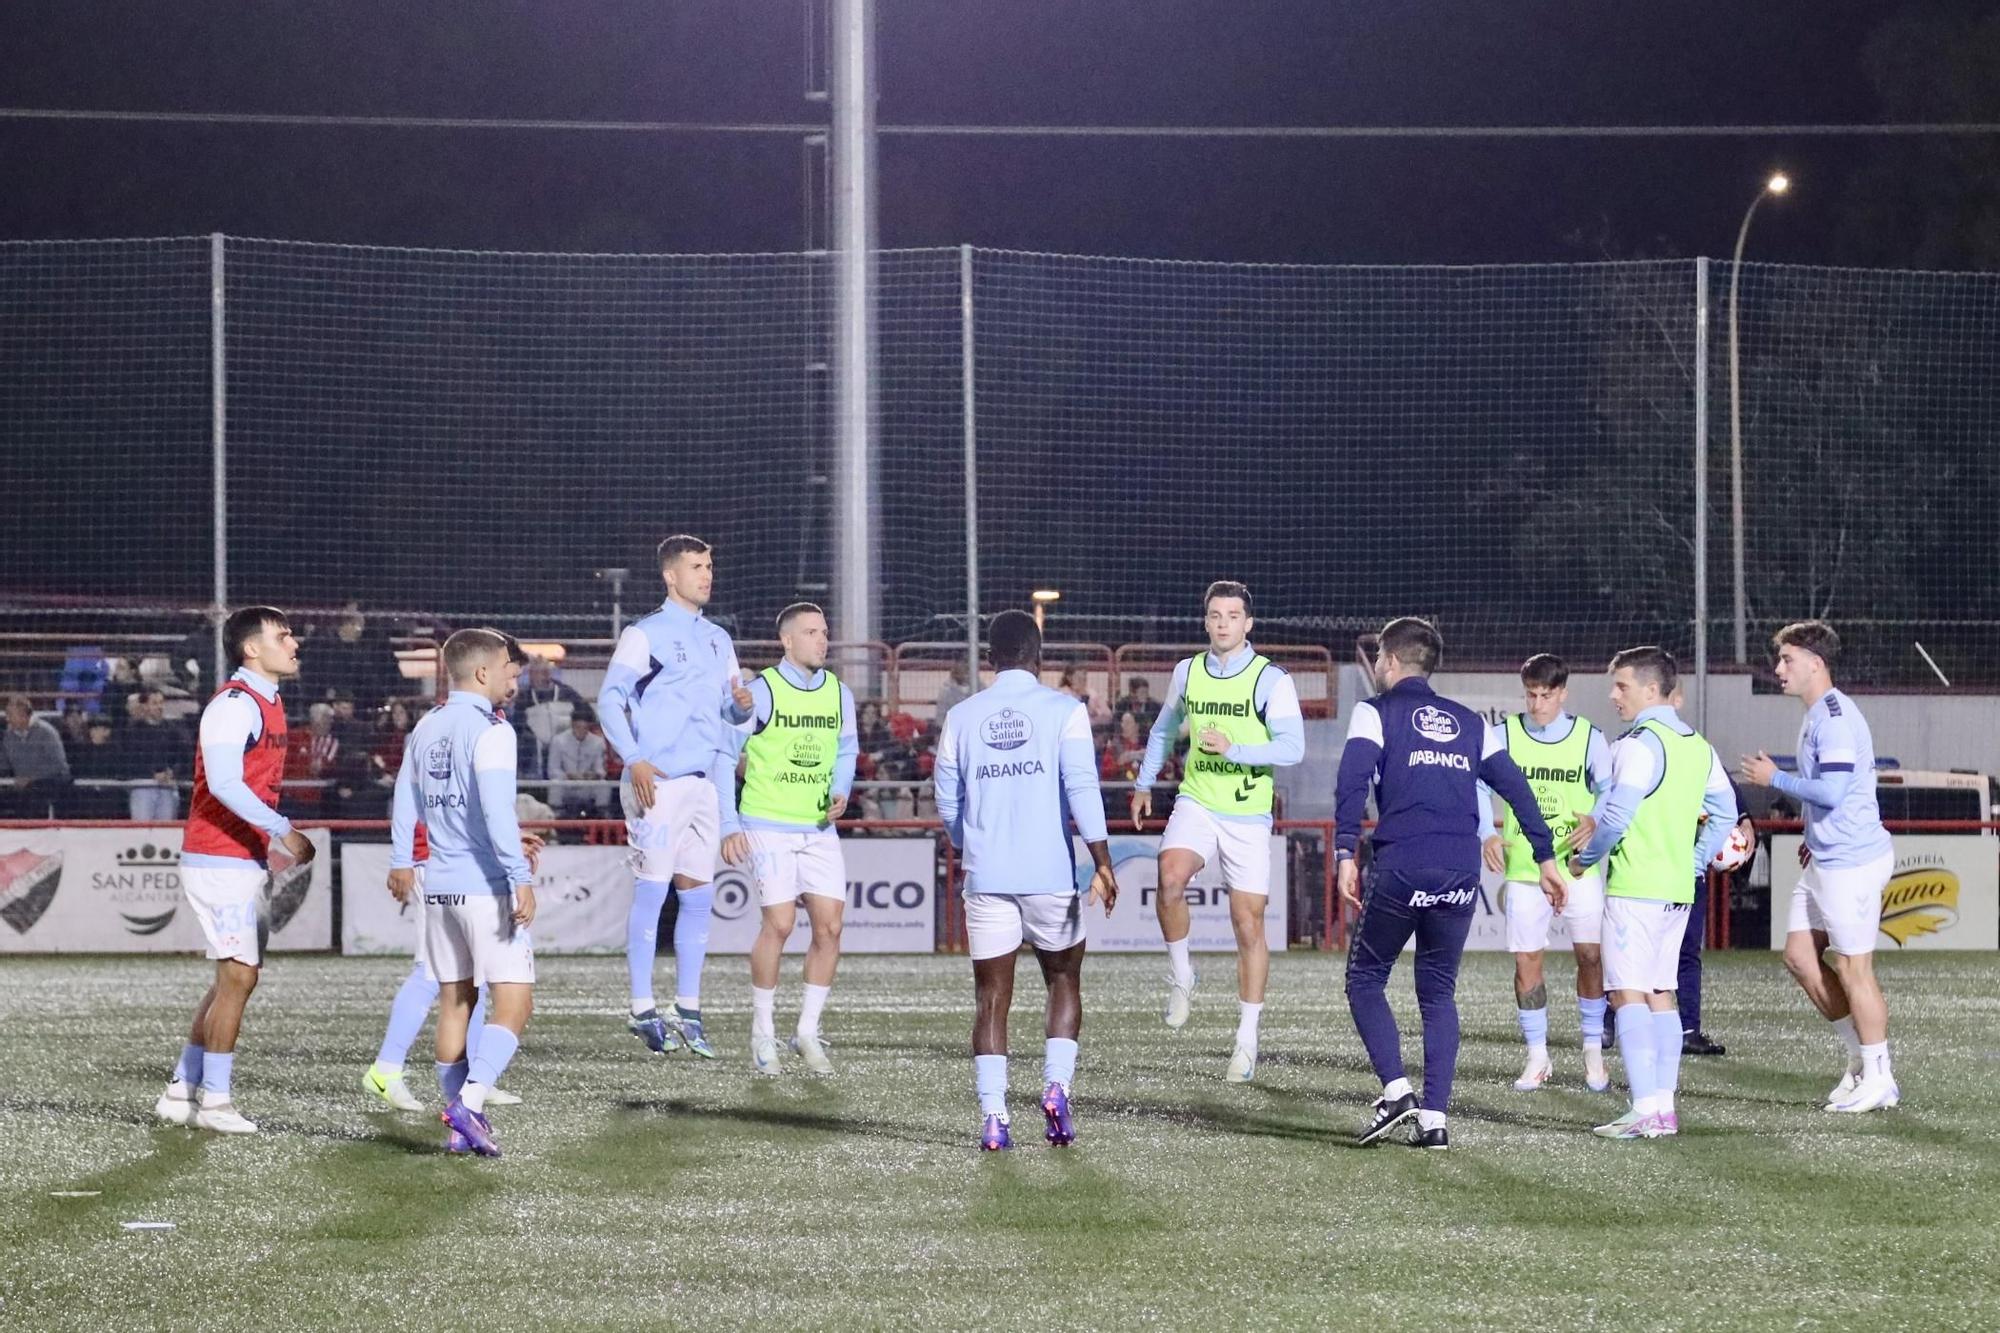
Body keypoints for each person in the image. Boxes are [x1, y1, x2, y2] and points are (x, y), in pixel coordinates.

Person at [1336, 618, 1567, 1151]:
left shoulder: (1375, 712)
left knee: (1366, 979)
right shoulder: (1469, 722)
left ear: (1389, 662)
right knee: (1438, 992)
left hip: (1403, 864)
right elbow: (1518, 789)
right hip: (1460, 870)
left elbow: (1351, 782)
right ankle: (1435, 1120)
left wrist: (1346, 851)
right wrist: (1546, 856)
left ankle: (1397, 1093)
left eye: (1378, 658)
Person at [934, 609, 1118, 1151]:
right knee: (1063, 979)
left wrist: (970, 843)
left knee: (991, 997)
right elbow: (1083, 789)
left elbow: (947, 798)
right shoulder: (1065, 710)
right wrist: (1102, 860)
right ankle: (1056, 1089)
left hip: (987, 875)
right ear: (1039, 656)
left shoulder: (963, 716)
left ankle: (994, 1118)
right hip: (1048, 875)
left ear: (990, 660)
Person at [1128, 581, 1305, 1082]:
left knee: (1247, 924)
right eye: (1214, 614)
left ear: (1248, 624)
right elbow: (1164, 730)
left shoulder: (1271, 679)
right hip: (1198, 800)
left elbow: (1293, 748)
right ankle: (1183, 973)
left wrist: (1236, 749)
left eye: (1233, 615)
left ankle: (1246, 1039)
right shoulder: (1187, 672)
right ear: (1205, 622)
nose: (1223, 622)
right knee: (1168, 877)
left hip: (1248, 814)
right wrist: (1145, 783)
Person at [153, 607, 316, 1135]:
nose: (293, 642)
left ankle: (182, 1090)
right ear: (252, 649)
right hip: (218, 855)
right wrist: (282, 830)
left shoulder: (268, 700)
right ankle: (215, 1103)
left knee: (233, 978)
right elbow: (223, 782)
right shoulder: (235, 703)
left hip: (237, 857)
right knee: (240, 976)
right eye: (282, 635)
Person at [363, 633, 536, 1114]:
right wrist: (519, 874)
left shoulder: (428, 724)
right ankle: (471, 1099)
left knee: (455, 999)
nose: (513, 676)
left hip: (438, 881)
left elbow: (406, 796)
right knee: (515, 1002)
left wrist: (402, 857)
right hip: (484, 886)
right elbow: (499, 811)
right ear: (483, 672)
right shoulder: (493, 729)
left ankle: (457, 1109)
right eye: (508, 667)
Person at [1568, 647, 1736, 1140]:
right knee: (1662, 992)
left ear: (1649, 689)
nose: (1613, 694)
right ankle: (1661, 1109)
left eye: (1621, 685)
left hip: (1636, 887)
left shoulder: (1640, 745)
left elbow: (1617, 817)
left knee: (1626, 993)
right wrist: (1695, 861)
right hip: (1677, 890)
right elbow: (1724, 814)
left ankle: (1643, 1109)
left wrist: (1584, 860)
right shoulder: (1698, 746)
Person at [598, 535, 753, 1060]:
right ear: (670, 575)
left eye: (710, 565)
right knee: (652, 892)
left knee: (698, 897)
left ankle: (688, 1007)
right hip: (656, 784)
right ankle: (642, 1007)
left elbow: (732, 721)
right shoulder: (644, 635)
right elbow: (609, 701)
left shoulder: (719, 639)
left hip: (704, 784)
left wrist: (739, 708)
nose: (707, 574)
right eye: (696, 566)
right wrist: (633, 757)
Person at [1738, 620, 1899, 1113]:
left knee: (1854, 968)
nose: (1778, 668)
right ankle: (1859, 1061)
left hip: (1850, 862)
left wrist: (1775, 777)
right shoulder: (1816, 714)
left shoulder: (1833, 717)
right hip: (1826, 857)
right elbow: (1834, 795)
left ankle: (1880, 1076)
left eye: (1787, 659)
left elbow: (1831, 792)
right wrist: (1811, 835)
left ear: (1816, 663)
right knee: (1800, 958)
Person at [723, 602, 858, 1077]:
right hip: (766, 822)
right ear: (786, 641)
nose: (822, 640)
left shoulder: (839, 692)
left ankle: (806, 1031)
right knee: (779, 923)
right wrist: (728, 821)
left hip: (819, 827)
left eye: (824, 632)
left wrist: (842, 789)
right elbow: (726, 750)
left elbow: (847, 750)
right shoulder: (761, 690)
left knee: (830, 928)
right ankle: (762, 1032)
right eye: (811, 633)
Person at [1480, 654, 1613, 1094]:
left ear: (1563, 694)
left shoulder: (1589, 738)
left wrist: (1594, 818)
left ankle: (1593, 1052)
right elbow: (1479, 785)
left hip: (1577, 867)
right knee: (1526, 960)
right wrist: (1486, 832)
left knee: (1591, 957)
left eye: (1546, 695)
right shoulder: (1504, 735)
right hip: (1525, 869)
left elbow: (1608, 789)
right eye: (1531, 695)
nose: (1537, 704)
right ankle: (1538, 1056)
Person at [119, 689, 190, 822]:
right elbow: (132, 759)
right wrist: (152, 773)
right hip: (142, 787)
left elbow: (182, 756)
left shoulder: (173, 730)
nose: (159, 707)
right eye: (154, 703)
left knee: (165, 830)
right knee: (142, 830)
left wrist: (172, 772)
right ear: (145, 705)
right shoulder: (133, 731)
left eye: (161, 703)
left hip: (167, 787)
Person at [1, 695, 73, 819]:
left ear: (23, 715)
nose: (7, 719)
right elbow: (5, 764)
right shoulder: (8, 737)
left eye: (10, 715)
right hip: (21, 784)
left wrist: (31, 778)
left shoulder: (46, 732)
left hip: (49, 782)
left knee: (34, 795)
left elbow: (58, 765)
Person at [546, 705, 609, 817]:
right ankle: (556, 815)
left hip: (587, 785)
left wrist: (594, 775)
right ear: (572, 725)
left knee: (603, 785)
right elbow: (552, 769)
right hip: (566, 784)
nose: (581, 731)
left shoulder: (598, 743)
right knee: (555, 784)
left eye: (585, 727)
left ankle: (602, 815)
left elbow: (600, 769)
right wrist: (567, 776)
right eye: (578, 727)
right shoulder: (558, 741)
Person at [1058, 663, 1112, 729]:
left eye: (1084, 679)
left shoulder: (1092, 693)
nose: (1082, 682)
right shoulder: (1063, 694)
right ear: (1069, 678)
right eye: (1079, 679)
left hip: (1094, 731)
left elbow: (1108, 716)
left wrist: (1095, 711)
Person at [933, 657, 974, 723]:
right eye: (959, 669)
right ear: (954, 672)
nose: (965, 674)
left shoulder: (980, 687)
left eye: (966, 669)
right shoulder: (946, 691)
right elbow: (940, 717)